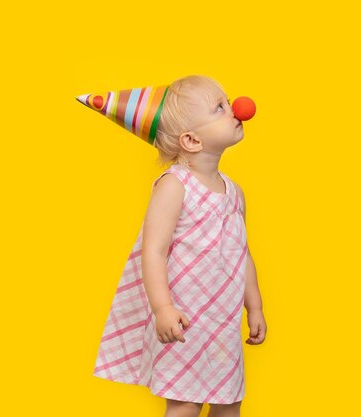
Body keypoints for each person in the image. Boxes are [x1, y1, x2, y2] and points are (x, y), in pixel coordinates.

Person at [85, 75, 267, 417]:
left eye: (227, 101)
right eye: (220, 107)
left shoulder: (235, 192)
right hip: (184, 319)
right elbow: (153, 251)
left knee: (229, 403)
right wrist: (162, 309)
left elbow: (242, 252)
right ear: (192, 140)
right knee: (185, 403)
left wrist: (254, 306)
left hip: (222, 321)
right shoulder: (174, 186)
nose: (235, 109)